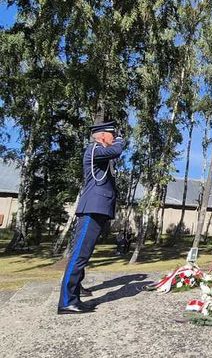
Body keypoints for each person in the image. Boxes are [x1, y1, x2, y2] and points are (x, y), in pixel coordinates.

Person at [57, 120, 125, 314]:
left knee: (82, 255)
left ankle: (75, 293)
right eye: (112, 135)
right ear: (103, 136)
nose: (114, 139)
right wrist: (120, 139)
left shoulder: (99, 153)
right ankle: (66, 301)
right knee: (79, 255)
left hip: (98, 209)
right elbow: (116, 150)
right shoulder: (94, 149)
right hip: (92, 209)